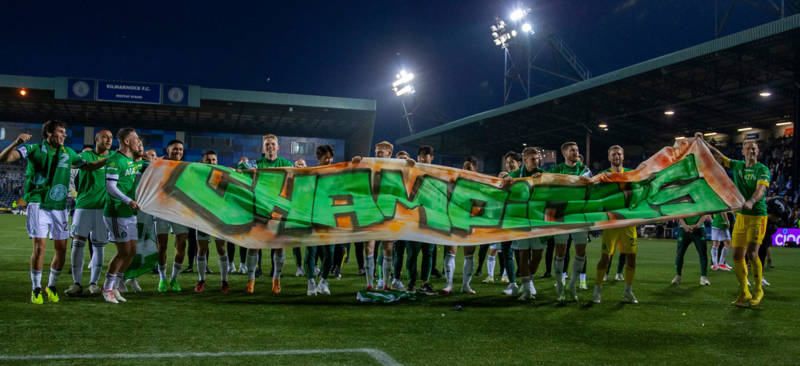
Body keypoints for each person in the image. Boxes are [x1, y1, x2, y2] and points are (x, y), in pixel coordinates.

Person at [0, 120, 106, 304]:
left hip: (60, 207)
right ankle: (36, 289)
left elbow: (89, 166)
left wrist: (112, 159)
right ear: (48, 133)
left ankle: (51, 285)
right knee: (39, 247)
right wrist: (16, 143)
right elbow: (4, 159)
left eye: (65, 132)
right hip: (38, 204)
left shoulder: (68, 153)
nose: (65, 135)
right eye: (61, 132)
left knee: (62, 249)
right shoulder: (33, 149)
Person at [705, 137, 769, 306]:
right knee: (736, 255)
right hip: (741, 216)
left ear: (758, 151)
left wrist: (751, 202)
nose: (751, 151)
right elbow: (719, 157)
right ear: (743, 152)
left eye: (754, 148)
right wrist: (703, 142)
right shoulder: (738, 165)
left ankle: (758, 290)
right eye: (748, 148)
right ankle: (744, 292)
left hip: (757, 216)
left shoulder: (762, 169)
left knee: (752, 253)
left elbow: (760, 189)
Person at [238, 134, 294, 294]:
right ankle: (250, 281)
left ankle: (276, 281)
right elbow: (239, 169)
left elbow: (302, 175)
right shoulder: (256, 163)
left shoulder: (286, 164)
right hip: (260, 211)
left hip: (279, 212)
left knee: (279, 248)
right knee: (254, 246)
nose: (270, 146)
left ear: (278, 147)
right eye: (267, 144)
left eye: (273, 144)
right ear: (263, 148)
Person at [65, 130, 113, 297]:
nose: (109, 140)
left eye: (111, 137)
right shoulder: (84, 156)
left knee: (99, 246)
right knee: (78, 244)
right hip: (83, 206)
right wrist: (110, 160)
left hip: (103, 207)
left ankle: (93, 284)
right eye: (105, 137)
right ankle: (76, 283)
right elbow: (91, 167)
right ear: (96, 139)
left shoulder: (115, 156)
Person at [100, 128, 143, 303]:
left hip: (129, 212)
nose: (138, 141)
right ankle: (107, 288)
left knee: (132, 251)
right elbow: (111, 187)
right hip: (117, 212)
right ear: (126, 141)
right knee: (123, 251)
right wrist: (128, 201)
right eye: (136, 138)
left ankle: (116, 286)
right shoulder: (115, 160)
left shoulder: (131, 160)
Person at [593, 145, 639, 304]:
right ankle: (597, 290)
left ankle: (628, 290)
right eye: (613, 154)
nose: (616, 156)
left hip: (628, 223)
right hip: (611, 223)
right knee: (605, 258)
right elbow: (593, 191)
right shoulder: (603, 176)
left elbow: (638, 193)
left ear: (623, 156)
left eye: (619, 153)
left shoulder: (631, 174)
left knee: (632, 259)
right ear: (609, 157)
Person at [548, 142, 592, 302]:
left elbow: (590, 189)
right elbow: (547, 185)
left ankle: (573, 284)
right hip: (561, 216)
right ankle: (560, 285)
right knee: (560, 253)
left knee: (581, 252)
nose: (576, 152)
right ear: (564, 152)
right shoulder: (556, 169)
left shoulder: (584, 170)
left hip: (579, 215)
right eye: (572, 150)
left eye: (577, 150)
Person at [504, 147, 546, 300]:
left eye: (537, 159)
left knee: (538, 255)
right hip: (520, 220)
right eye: (533, 159)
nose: (536, 161)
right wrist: (506, 183)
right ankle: (527, 288)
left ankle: (529, 281)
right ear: (525, 160)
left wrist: (542, 181)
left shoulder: (542, 174)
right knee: (522, 254)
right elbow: (503, 191)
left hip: (537, 220)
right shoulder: (515, 175)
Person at [153, 140, 190, 292]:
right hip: (161, 210)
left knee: (182, 244)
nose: (178, 152)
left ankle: (174, 279)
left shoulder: (186, 167)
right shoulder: (159, 165)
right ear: (168, 150)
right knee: (162, 247)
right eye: (175, 149)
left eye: (180, 149)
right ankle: (162, 278)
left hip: (180, 211)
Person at [441, 156, 481, 295]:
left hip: (470, 222)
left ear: (474, 169)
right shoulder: (454, 182)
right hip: (454, 220)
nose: (465, 170)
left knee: (469, 254)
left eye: (468, 167)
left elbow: (481, 203)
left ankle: (466, 285)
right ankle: (449, 285)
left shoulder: (479, 185)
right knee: (451, 251)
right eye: (464, 167)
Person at [193, 150, 231, 293]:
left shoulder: (223, 178)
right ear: (203, 162)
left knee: (221, 249)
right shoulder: (198, 178)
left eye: (214, 160)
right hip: (203, 218)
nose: (212, 162)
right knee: (201, 250)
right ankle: (201, 280)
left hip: (219, 218)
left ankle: (224, 281)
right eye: (208, 160)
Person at [405, 145, 438, 295]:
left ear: (431, 158)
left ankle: (425, 282)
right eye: (420, 155)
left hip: (431, 220)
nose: (422, 158)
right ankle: (411, 283)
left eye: (425, 155)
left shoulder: (437, 174)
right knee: (412, 253)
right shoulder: (413, 172)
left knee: (428, 253)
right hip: (414, 220)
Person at [305, 145, 336, 295]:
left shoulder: (336, 174)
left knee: (329, 252)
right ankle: (311, 282)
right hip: (312, 217)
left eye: (331, 157)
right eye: (326, 157)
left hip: (329, 218)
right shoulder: (311, 174)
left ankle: (323, 281)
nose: (329, 160)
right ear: (319, 158)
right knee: (311, 251)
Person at [672, 215, 711, 286]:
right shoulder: (682, 203)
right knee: (679, 254)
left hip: (699, 229)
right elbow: (679, 213)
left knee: (703, 254)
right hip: (683, 229)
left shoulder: (701, 203)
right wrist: (684, 225)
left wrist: (697, 225)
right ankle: (678, 276)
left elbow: (705, 213)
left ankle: (703, 277)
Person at [292, 158, 306, 277]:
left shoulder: (311, 180)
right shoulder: (290, 180)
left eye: (302, 164)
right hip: (295, 216)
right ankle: (299, 267)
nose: (300, 166)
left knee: (311, 243)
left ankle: (313, 266)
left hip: (308, 215)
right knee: (296, 243)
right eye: (298, 165)